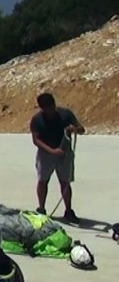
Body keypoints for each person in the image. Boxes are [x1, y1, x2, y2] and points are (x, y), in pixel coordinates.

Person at [30, 92, 85, 222]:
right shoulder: (37, 120)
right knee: (43, 181)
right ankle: (41, 209)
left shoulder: (66, 114)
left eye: (51, 106)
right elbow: (36, 140)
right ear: (42, 108)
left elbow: (81, 129)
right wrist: (52, 151)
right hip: (45, 155)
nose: (50, 110)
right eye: (47, 108)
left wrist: (74, 129)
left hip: (65, 153)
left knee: (65, 182)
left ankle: (68, 210)